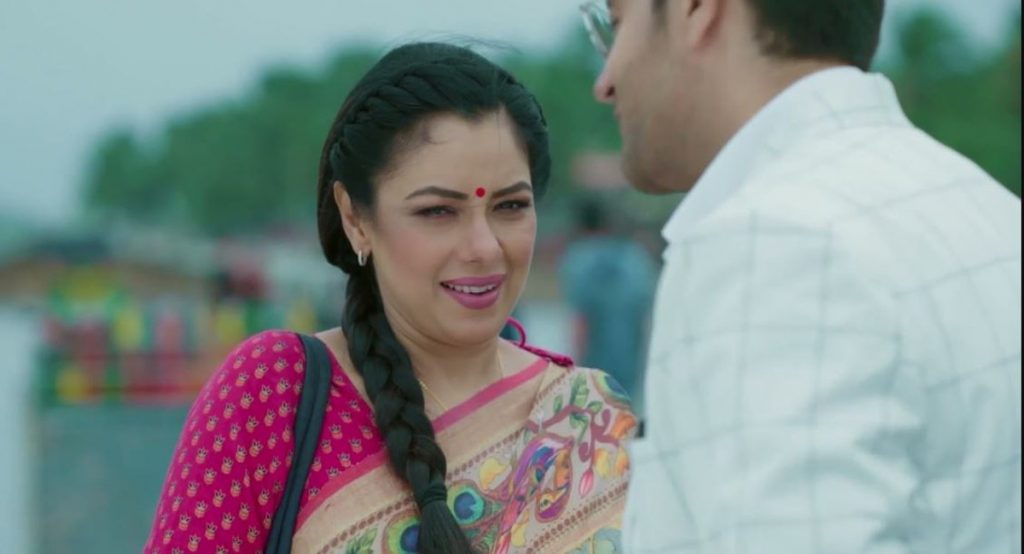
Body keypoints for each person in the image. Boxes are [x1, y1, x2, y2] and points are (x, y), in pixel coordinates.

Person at [143, 43, 637, 554]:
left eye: (511, 206)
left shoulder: (587, 415)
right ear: (356, 218)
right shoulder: (274, 395)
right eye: (437, 211)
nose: (485, 247)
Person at [580, 0, 1022, 552]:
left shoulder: (775, 238)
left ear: (698, 10)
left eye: (615, 26)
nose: (605, 81)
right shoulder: (988, 209)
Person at [558, 199, 656, 404]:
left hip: (593, 367)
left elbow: (581, 321)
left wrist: (571, 368)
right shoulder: (637, 258)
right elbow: (645, 318)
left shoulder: (579, 258)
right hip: (630, 363)